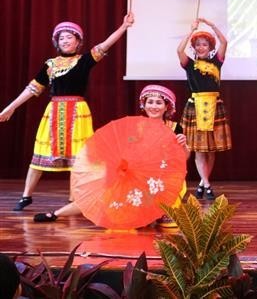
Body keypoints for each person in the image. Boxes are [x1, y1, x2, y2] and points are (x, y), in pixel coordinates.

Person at [0, 14, 134, 211]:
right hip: (54, 111)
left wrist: (123, 27)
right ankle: (26, 195)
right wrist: (10, 107)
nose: (65, 41)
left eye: (69, 37)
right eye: (61, 38)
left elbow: (104, 46)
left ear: (78, 41)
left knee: (79, 157)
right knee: (40, 154)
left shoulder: (84, 61)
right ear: (57, 42)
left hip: (78, 113)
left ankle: (75, 198)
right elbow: (33, 88)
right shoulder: (50, 65)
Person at [33, 84, 189, 225]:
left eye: (158, 103)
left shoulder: (175, 128)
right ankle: (55, 214)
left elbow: (183, 160)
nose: (153, 106)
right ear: (144, 104)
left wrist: (184, 146)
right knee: (102, 194)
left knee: (166, 224)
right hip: (135, 175)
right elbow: (125, 153)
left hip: (163, 179)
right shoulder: (135, 126)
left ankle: (154, 212)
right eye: (150, 102)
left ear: (166, 107)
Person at [177, 17, 232, 201]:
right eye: (198, 45)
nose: (201, 47)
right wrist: (191, 31)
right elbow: (179, 50)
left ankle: (202, 182)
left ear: (210, 47)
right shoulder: (189, 65)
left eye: (205, 45)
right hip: (196, 107)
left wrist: (212, 25)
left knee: (211, 149)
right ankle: (207, 185)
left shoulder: (217, 62)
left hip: (214, 107)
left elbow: (224, 41)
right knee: (199, 149)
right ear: (194, 47)